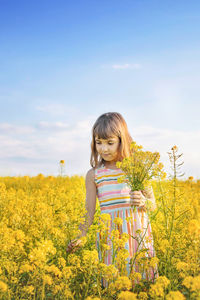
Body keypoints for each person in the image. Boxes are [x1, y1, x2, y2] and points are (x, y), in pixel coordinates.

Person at [66, 112, 157, 283]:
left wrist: (144, 202)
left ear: (122, 141)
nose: (104, 149)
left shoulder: (136, 169)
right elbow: (89, 212)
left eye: (110, 143)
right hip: (110, 240)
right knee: (113, 286)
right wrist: (81, 235)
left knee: (143, 285)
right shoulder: (94, 175)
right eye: (99, 142)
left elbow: (153, 205)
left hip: (138, 238)